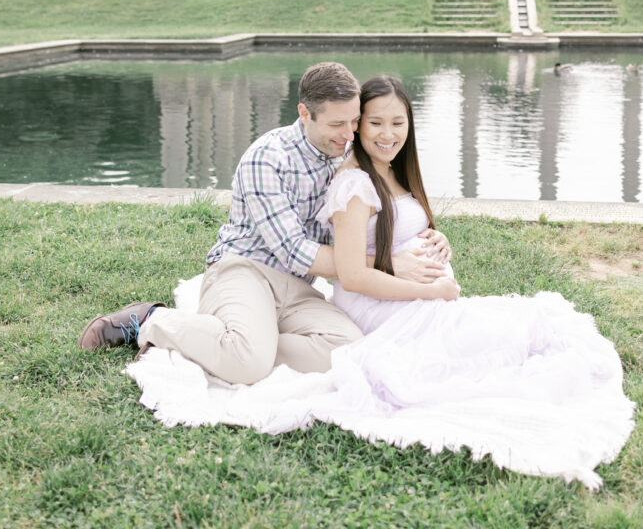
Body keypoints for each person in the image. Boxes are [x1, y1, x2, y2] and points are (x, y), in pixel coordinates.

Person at [285, 74, 633, 486]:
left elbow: (398, 229)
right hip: (385, 313)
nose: (388, 134)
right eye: (375, 123)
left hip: (419, 302)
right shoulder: (355, 185)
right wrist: (431, 289)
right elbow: (353, 276)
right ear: (358, 125)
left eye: (397, 123)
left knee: (528, 327)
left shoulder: (390, 169)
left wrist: (434, 238)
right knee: (508, 342)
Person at [78, 62, 451, 385]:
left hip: (299, 288)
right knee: (248, 361)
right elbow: (295, 251)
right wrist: (387, 265)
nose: (349, 133)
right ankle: (152, 320)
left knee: (347, 348)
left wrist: (427, 236)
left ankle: (222, 345)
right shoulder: (268, 158)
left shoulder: (347, 153)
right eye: (337, 124)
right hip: (245, 271)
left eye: (354, 121)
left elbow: (385, 207)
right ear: (305, 113)